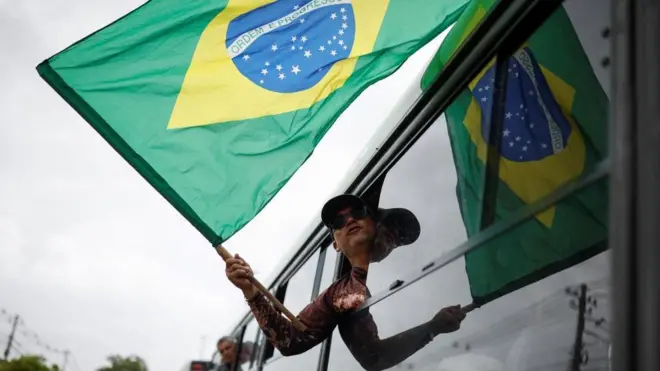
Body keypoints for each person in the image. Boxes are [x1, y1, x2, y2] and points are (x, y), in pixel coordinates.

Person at [225, 194, 467, 371]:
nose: (350, 220)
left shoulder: (424, 272)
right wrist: (251, 291)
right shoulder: (337, 294)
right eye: (339, 222)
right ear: (336, 245)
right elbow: (291, 341)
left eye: (360, 213)